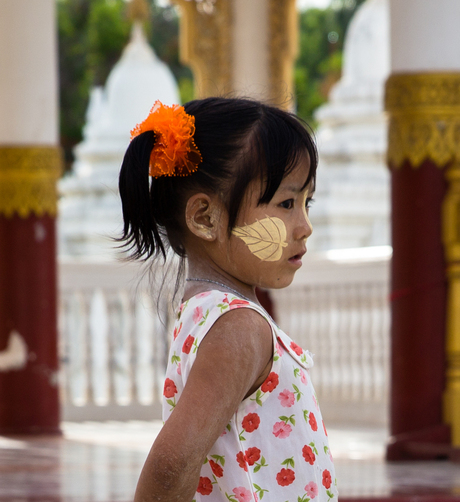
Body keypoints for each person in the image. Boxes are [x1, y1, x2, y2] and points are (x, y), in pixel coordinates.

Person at [118, 98, 338, 502]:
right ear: (205, 218)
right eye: (287, 204)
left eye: (307, 203)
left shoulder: (207, 315)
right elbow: (170, 467)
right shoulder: (238, 328)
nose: (304, 226)